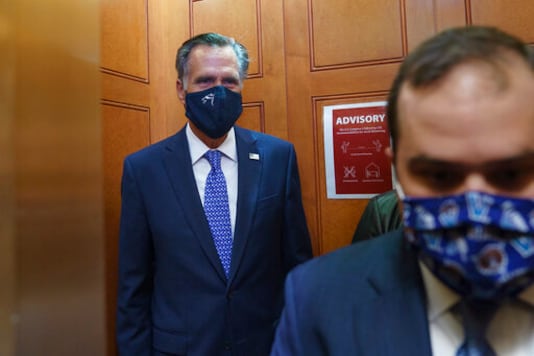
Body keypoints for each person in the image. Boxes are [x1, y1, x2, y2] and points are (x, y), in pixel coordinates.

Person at [271, 25, 534, 356]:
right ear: (398, 169)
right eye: (439, 175)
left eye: (510, 173)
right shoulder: (318, 299)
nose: (476, 204)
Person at [116, 32, 313, 356]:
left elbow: (298, 268)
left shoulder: (279, 158)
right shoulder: (144, 170)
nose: (218, 92)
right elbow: (133, 288)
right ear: (182, 89)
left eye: (229, 82)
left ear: (241, 87)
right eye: (205, 81)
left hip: (267, 346)